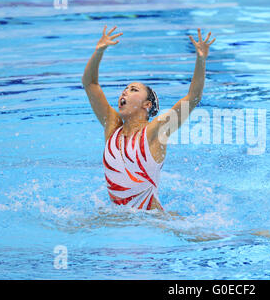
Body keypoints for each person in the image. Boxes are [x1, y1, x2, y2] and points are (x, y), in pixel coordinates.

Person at [82, 25, 215, 212]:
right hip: (116, 219)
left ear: (147, 105)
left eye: (133, 90)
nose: (125, 92)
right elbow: (90, 84)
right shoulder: (112, 127)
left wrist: (201, 60)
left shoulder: (155, 132)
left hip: (153, 222)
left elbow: (192, 98)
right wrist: (99, 51)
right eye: (125, 89)